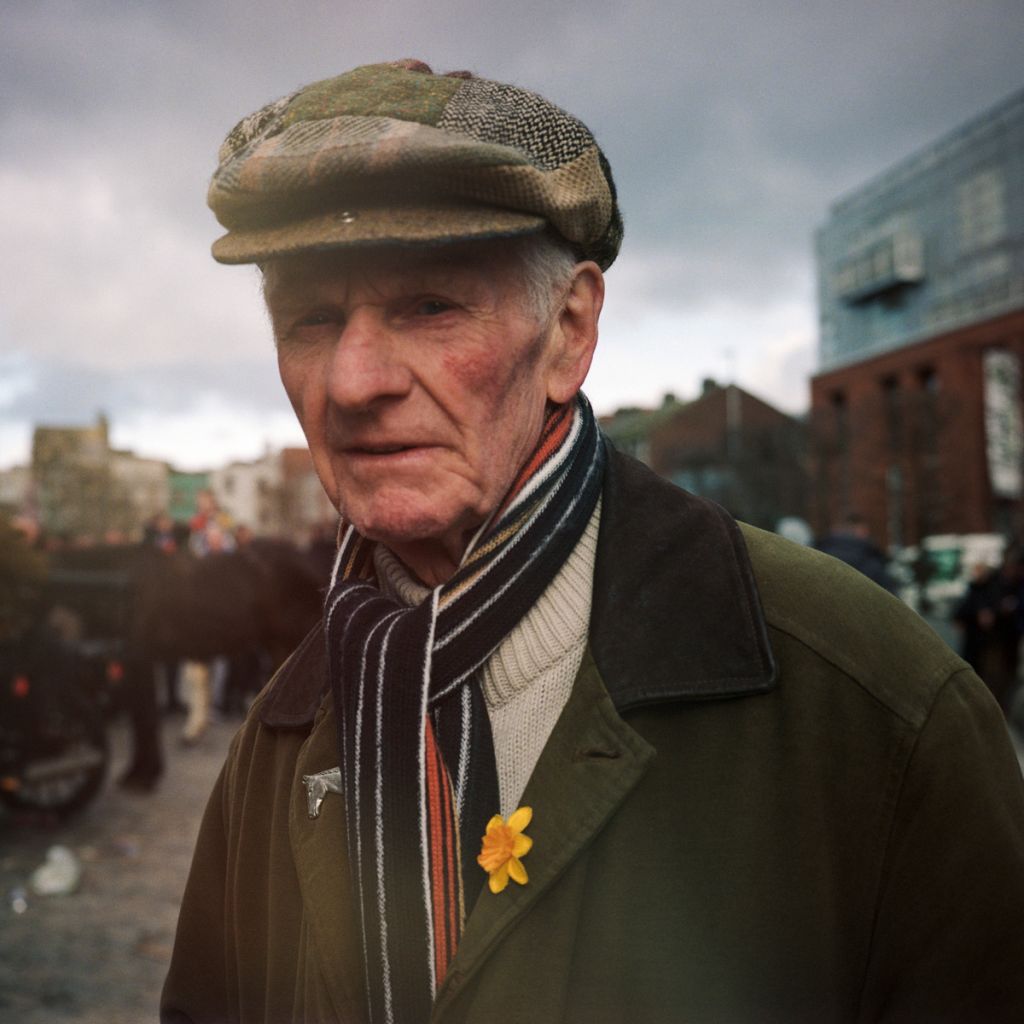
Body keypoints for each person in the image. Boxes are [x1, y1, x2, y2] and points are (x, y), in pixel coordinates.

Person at [162, 61, 1024, 1023]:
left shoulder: (871, 706)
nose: (354, 380)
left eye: (430, 307)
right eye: (311, 319)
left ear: (570, 329)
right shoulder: (287, 733)